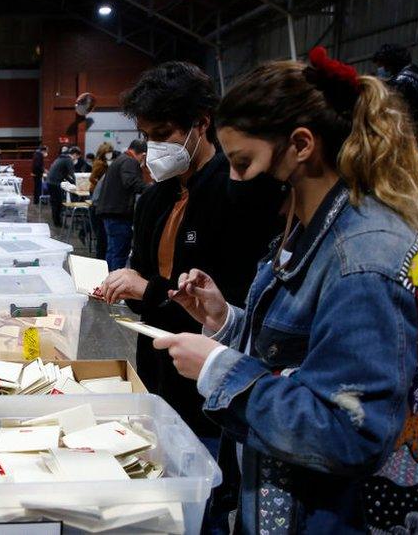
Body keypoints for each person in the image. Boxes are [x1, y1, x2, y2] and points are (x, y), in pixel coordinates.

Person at [153, 47, 418, 533]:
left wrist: (218, 369)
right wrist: (226, 322)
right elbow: (304, 354)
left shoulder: (362, 259)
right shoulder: (307, 230)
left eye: (243, 161)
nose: (235, 180)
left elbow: (350, 432)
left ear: (300, 145)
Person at [98, 61, 284, 456]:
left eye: (163, 134)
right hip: (155, 366)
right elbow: (144, 282)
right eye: (147, 136)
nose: (153, 148)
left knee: (205, 487)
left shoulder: (237, 194)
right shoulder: (154, 198)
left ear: (201, 123)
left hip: (207, 382)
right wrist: (127, 285)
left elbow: (234, 301)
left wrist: (148, 289)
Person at [95, 139, 148, 270]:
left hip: (110, 212)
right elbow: (130, 182)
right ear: (143, 154)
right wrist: (151, 189)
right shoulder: (130, 161)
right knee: (119, 252)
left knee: (113, 250)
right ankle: (115, 285)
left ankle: (108, 281)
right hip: (118, 213)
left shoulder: (120, 160)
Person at [88, 142, 114, 260]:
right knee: (100, 231)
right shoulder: (99, 164)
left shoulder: (106, 163)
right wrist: (101, 185)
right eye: (108, 152)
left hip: (100, 192)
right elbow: (91, 178)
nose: (110, 154)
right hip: (96, 192)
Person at [46, 148, 76, 227]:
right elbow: (72, 173)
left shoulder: (61, 158)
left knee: (55, 203)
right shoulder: (68, 160)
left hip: (50, 182)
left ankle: (57, 222)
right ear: (75, 154)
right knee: (57, 203)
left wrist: (72, 182)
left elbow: (65, 174)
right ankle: (58, 223)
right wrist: (77, 182)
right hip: (55, 183)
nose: (76, 159)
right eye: (77, 156)